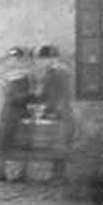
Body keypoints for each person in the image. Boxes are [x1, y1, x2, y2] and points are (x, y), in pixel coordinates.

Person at [0, 46, 35, 182]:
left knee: (22, 142)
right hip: (6, 112)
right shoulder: (8, 76)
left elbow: (29, 95)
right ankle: (1, 171)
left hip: (19, 113)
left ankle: (22, 173)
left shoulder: (26, 76)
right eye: (12, 57)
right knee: (1, 141)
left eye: (16, 57)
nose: (14, 60)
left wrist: (17, 97)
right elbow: (1, 96)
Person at [34, 44, 75, 179]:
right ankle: (57, 173)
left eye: (43, 59)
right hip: (63, 109)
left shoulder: (54, 73)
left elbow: (47, 94)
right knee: (59, 142)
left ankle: (58, 175)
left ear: (52, 58)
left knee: (59, 141)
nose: (41, 62)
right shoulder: (63, 71)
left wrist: (45, 106)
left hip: (60, 110)